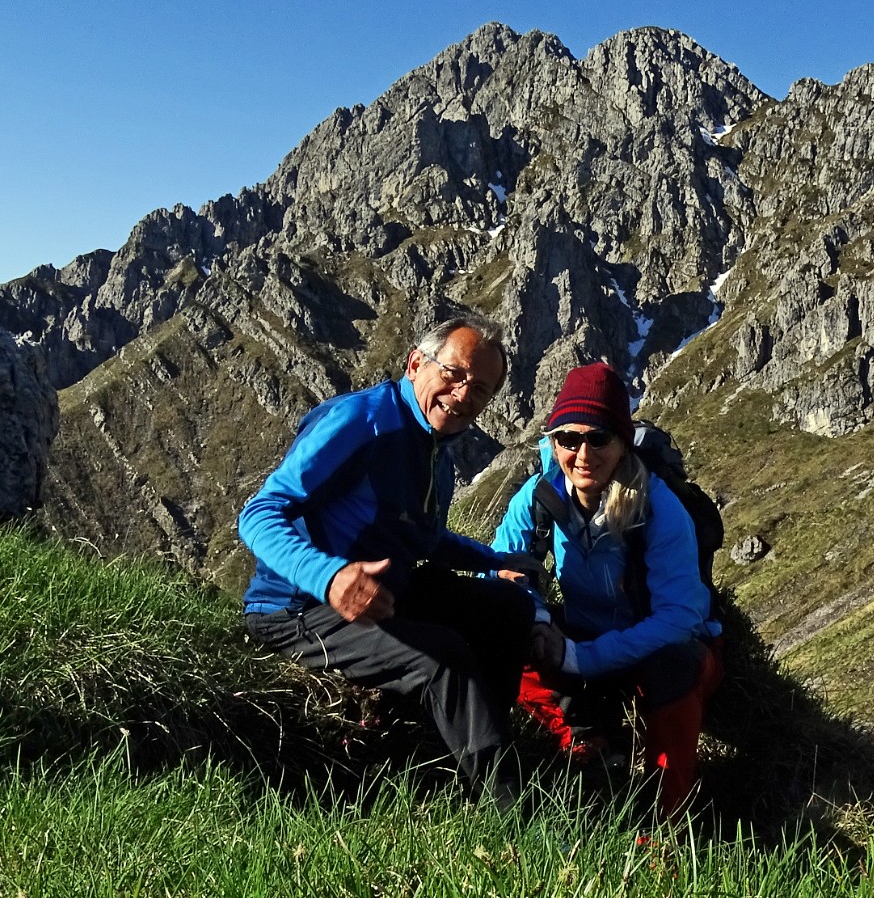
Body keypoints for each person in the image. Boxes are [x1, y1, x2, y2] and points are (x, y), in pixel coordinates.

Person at [239, 310, 539, 794]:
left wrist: (494, 561)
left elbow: (423, 539)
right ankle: (510, 809)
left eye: (480, 389)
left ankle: (476, 753)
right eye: (454, 374)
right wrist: (330, 577)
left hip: (382, 589)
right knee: (443, 657)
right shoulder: (360, 421)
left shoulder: (436, 449)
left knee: (509, 610)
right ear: (415, 362)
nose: (463, 395)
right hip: (296, 607)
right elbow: (258, 513)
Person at [491, 362, 723, 816]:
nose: (582, 453)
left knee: (676, 667)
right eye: (567, 439)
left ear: (621, 444)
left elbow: (681, 619)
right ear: (552, 441)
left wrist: (580, 658)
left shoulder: (657, 507)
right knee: (498, 624)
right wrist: (538, 621)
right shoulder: (541, 494)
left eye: (598, 438)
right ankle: (585, 743)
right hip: (584, 633)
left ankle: (664, 820)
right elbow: (501, 569)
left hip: (662, 647)